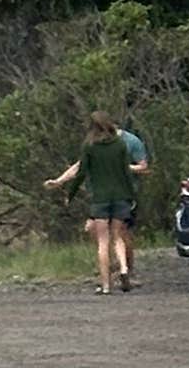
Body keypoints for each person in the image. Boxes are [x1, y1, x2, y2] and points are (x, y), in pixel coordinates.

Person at [46, 115, 139, 293]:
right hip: (120, 196)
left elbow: (81, 173)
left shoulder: (89, 147)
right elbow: (126, 171)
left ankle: (105, 285)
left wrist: (70, 194)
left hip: (100, 199)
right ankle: (124, 269)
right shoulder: (120, 145)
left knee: (102, 242)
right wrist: (131, 194)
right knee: (117, 236)